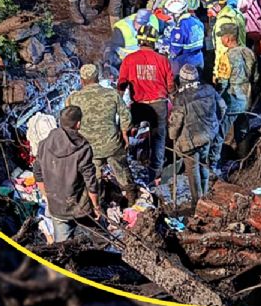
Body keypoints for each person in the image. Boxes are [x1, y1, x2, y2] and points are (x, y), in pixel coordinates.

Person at [65, 64, 137, 204]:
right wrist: (124, 135)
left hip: (89, 148)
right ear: (97, 78)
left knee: (92, 177)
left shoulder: (73, 99)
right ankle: (131, 198)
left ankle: (96, 206)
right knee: (122, 170)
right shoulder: (111, 94)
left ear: (81, 80)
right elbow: (125, 116)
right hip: (112, 144)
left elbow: (69, 123)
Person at [33, 106, 101, 243]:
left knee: (62, 246)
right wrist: (96, 206)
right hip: (80, 206)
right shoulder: (82, 148)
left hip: (57, 207)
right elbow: (90, 181)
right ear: (78, 124)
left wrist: (49, 196)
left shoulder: (44, 144)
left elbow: (37, 174)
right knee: (101, 238)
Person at [117, 25, 174, 185]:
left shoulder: (129, 59)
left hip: (138, 106)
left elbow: (121, 85)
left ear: (139, 40)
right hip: (158, 105)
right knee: (158, 140)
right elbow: (170, 87)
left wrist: (119, 108)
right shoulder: (162, 60)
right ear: (154, 42)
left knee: (127, 132)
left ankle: (127, 168)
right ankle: (154, 176)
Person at [169, 64, 225, 207]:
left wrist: (172, 135)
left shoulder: (180, 98)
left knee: (193, 169)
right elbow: (223, 107)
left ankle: (197, 201)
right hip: (208, 135)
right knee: (203, 163)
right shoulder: (209, 89)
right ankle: (205, 195)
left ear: (182, 80)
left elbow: (176, 123)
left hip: (190, 140)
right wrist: (215, 122)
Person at [213, 23, 257, 172]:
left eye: (222, 37)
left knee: (222, 129)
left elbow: (223, 82)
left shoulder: (226, 57)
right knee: (243, 125)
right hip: (247, 93)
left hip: (232, 95)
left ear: (228, 38)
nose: (221, 40)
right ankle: (243, 159)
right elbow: (255, 76)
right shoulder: (249, 52)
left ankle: (218, 163)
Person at [161, 0, 205, 75]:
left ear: (176, 14)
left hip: (184, 63)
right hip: (199, 58)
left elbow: (174, 51)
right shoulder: (197, 21)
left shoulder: (179, 29)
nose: (169, 16)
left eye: (170, 14)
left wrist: (165, 44)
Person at [206, 0, 246, 72]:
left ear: (217, 6)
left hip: (229, 67)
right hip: (242, 59)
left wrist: (217, 72)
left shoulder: (223, 22)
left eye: (210, 8)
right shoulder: (236, 13)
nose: (208, 12)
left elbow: (222, 50)